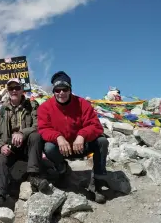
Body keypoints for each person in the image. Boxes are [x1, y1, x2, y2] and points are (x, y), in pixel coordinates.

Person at [37, 71, 109, 203]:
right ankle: (62, 170)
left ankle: (97, 183)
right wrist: (58, 137)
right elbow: (43, 129)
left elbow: (96, 126)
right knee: (48, 147)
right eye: (57, 90)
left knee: (102, 141)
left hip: (81, 146)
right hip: (62, 148)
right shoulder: (45, 108)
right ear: (53, 91)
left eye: (65, 89)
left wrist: (82, 135)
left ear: (70, 89)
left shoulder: (83, 104)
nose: (61, 93)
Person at [0, 79, 49, 208]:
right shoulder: (2, 110)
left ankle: (34, 175)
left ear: (22, 90)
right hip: (10, 146)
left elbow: (39, 125)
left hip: (28, 146)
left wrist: (22, 133)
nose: (14, 90)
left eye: (17, 87)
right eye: (11, 88)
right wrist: (1, 146)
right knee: (0, 161)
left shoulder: (32, 105)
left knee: (36, 136)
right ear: (8, 91)